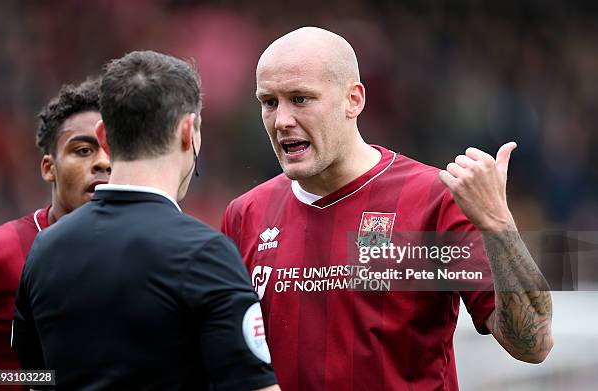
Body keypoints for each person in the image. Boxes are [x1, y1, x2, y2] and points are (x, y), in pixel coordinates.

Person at [222, 27, 553, 390]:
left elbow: (533, 345)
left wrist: (498, 225)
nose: (281, 120)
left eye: (300, 99)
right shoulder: (245, 215)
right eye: (269, 102)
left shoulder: (435, 200)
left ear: (354, 99)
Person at [13, 50, 279, 391]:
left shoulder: (44, 249)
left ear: (104, 136)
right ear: (188, 131)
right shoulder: (205, 254)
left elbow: (35, 380)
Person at [0, 78, 110, 390]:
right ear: (48, 168)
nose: (103, 163)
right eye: (83, 150)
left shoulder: (145, 257)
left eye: (114, 151)